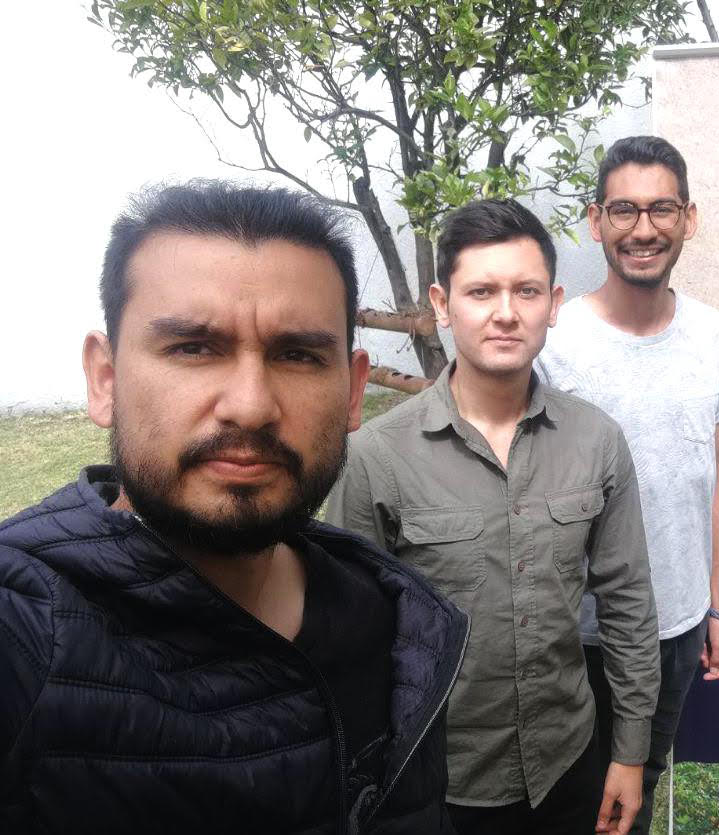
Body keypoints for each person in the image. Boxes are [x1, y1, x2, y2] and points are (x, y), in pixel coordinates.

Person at [0, 182, 468, 834]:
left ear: (353, 391)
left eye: (297, 354)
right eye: (193, 347)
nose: (250, 405)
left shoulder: (398, 622)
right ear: (105, 380)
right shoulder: (22, 622)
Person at [326, 199, 660, 835]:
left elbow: (627, 602)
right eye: (481, 291)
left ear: (553, 304)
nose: (506, 312)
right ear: (443, 304)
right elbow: (347, 635)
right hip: (433, 779)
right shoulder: (376, 457)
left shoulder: (596, 442)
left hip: (567, 763)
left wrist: (629, 752)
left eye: (526, 291)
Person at [536, 135, 719, 835]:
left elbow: (713, 470)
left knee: (637, 795)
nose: (643, 229)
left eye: (662, 209)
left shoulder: (710, 333)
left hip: (677, 626)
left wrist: (718, 605)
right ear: (596, 221)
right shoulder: (555, 344)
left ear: (689, 218)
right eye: (624, 210)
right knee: (570, 805)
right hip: (577, 634)